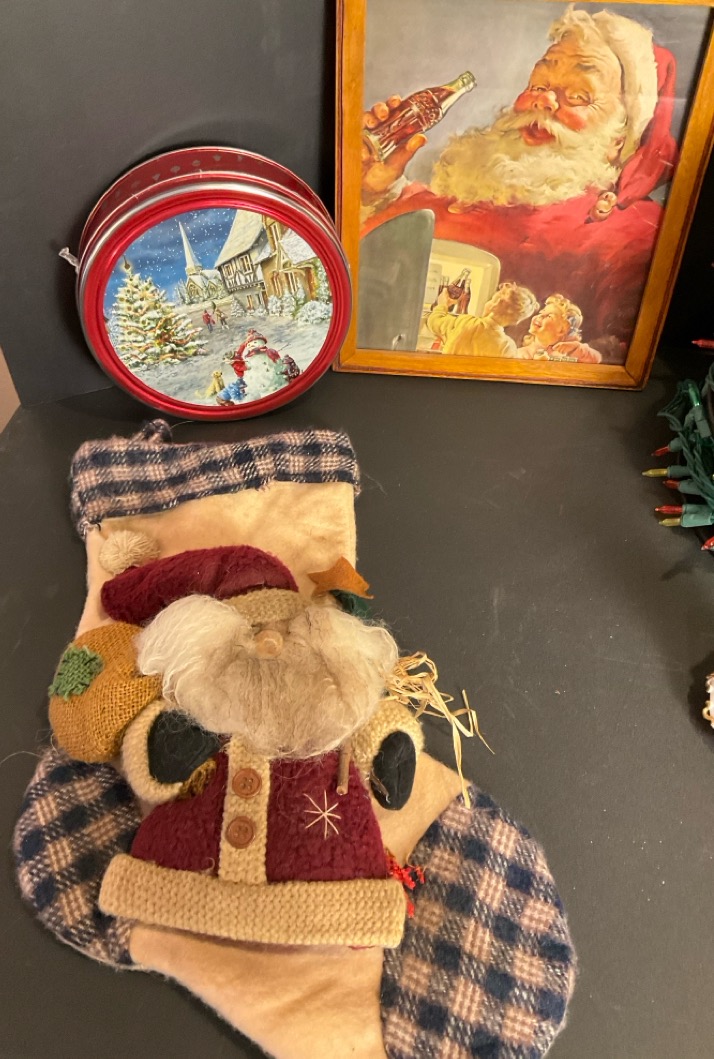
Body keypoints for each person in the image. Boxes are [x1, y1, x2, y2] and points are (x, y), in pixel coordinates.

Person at [361, 7, 678, 359]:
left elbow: (628, 352)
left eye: (578, 97)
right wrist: (376, 192)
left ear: (619, 139)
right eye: (538, 86)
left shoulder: (635, 235)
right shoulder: (482, 182)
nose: (543, 100)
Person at [426, 281, 538, 357]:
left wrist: (442, 305)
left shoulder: (464, 322)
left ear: (492, 304)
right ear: (515, 321)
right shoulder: (507, 346)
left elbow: (434, 321)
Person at [516, 294, 602, 362]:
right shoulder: (522, 353)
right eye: (541, 312)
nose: (540, 316)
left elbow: (597, 359)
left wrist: (575, 347)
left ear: (561, 330)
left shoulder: (570, 352)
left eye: (549, 316)